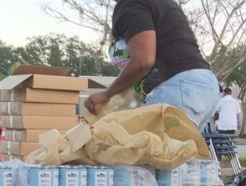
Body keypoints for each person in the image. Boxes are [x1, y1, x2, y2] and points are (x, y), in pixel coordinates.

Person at [84, 0, 220, 129]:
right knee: (177, 151)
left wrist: (107, 94)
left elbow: (143, 61)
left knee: (153, 151)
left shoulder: (130, 4)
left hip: (176, 88)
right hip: (205, 85)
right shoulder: (163, 4)